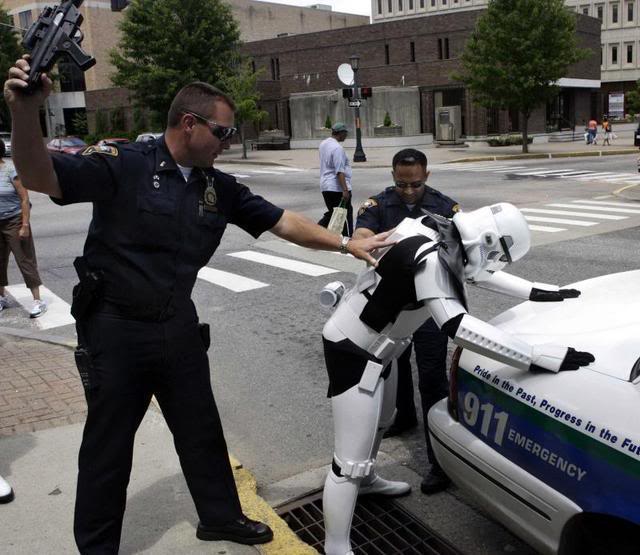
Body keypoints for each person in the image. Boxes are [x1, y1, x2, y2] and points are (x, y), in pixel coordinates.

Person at [4, 59, 392, 554]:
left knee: (201, 429)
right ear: (190, 123)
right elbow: (40, 175)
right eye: (223, 132)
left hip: (177, 326)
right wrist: (25, 113)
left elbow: (282, 222)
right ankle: (97, 547)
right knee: (108, 448)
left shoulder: (217, 186)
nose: (228, 142)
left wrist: (344, 245)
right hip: (115, 329)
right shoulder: (125, 163)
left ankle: (221, 517)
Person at [320, 203, 594, 555]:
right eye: (498, 252)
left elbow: (474, 270)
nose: (495, 261)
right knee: (349, 463)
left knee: (380, 423)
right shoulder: (431, 256)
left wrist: (539, 291)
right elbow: (457, 326)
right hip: (355, 350)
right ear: (488, 238)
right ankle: (336, 546)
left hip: (381, 349)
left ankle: (368, 482)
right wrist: (535, 356)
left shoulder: (435, 229)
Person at [353, 148, 459, 494]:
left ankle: (439, 463)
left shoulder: (446, 207)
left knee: (432, 379)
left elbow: (465, 254)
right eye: (401, 184)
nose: (409, 191)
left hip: (429, 307)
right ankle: (405, 416)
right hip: (393, 305)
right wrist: (369, 242)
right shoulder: (379, 204)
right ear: (393, 177)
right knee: (393, 368)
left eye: (414, 184)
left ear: (426, 176)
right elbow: (361, 236)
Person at [0, 138, 47, 318]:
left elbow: (25, 199)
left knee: (25, 260)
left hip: (14, 221)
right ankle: (1, 297)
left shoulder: (11, 170)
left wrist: (25, 224)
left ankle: (38, 301)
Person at [318, 122, 353, 236]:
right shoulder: (337, 148)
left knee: (333, 213)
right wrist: (345, 190)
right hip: (336, 187)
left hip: (326, 186)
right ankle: (347, 239)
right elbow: (339, 171)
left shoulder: (323, 144)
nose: (346, 136)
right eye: (345, 133)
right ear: (341, 133)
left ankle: (316, 232)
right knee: (344, 214)